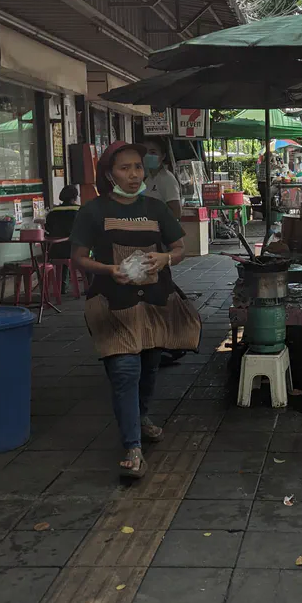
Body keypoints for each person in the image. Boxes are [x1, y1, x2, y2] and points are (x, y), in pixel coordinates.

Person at [70, 141, 201, 478]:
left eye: (137, 167)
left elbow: (179, 247)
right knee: (125, 371)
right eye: (124, 168)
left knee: (150, 365)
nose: (132, 174)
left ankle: (141, 417)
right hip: (113, 304)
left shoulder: (155, 209)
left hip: (156, 300)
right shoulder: (93, 211)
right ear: (109, 174)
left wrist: (165, 258)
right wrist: (108, 269)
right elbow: (79, 257)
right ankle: (132, 446)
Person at [46, 185, 80, 292]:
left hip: (54, 250)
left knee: (64, 250)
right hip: (76, 251)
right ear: (75, 197)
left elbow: (48, 229)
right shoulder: (80, 211)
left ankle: (62, 286)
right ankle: (89, 285)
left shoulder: (52, 213)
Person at [141, 138, 182, 219]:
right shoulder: (147, 179)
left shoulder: (167, 179)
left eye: (153, 152)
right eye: (145, 152)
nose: (148, 155)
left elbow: (176, 213)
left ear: (163, 156)